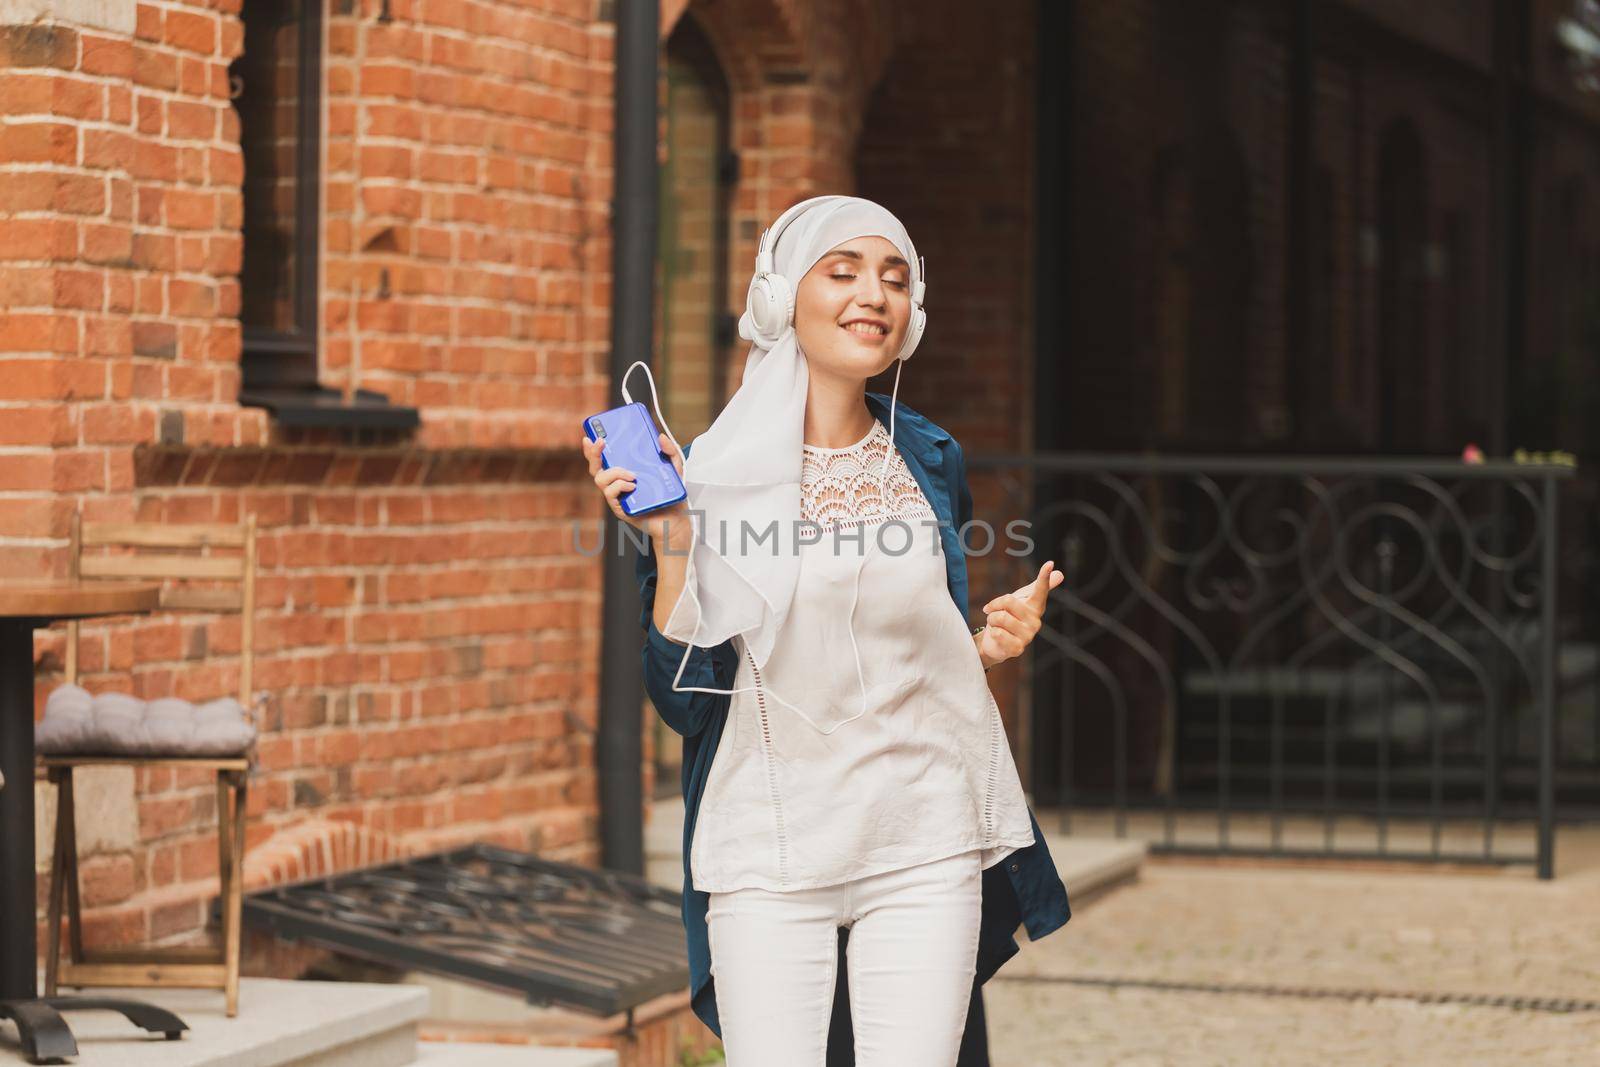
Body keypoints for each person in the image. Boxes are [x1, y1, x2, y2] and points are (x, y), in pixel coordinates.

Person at [582, 195, 1071, 1066]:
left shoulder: (928, 458)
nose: (872, 295)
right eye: (841, 272)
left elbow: (910, 639)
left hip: (925, 834)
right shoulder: (712, 477)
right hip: (771, 844)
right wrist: (673, 542)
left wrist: (983, 643)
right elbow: (683, 700)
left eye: (893, 279)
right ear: (780, 302)